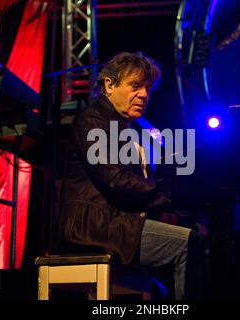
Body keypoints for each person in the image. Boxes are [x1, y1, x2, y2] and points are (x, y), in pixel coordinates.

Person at [57, 51, 209, 299]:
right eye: (135, 86)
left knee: (196, 233)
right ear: (109, 84)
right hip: (94, 225)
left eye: (148, 88)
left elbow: (139, 189)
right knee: (190, 245)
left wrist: (176, 210)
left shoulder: (128, 129)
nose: (144, 95)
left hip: (118, 221)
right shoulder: (92, 121)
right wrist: (169, 195)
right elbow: (117, 181)